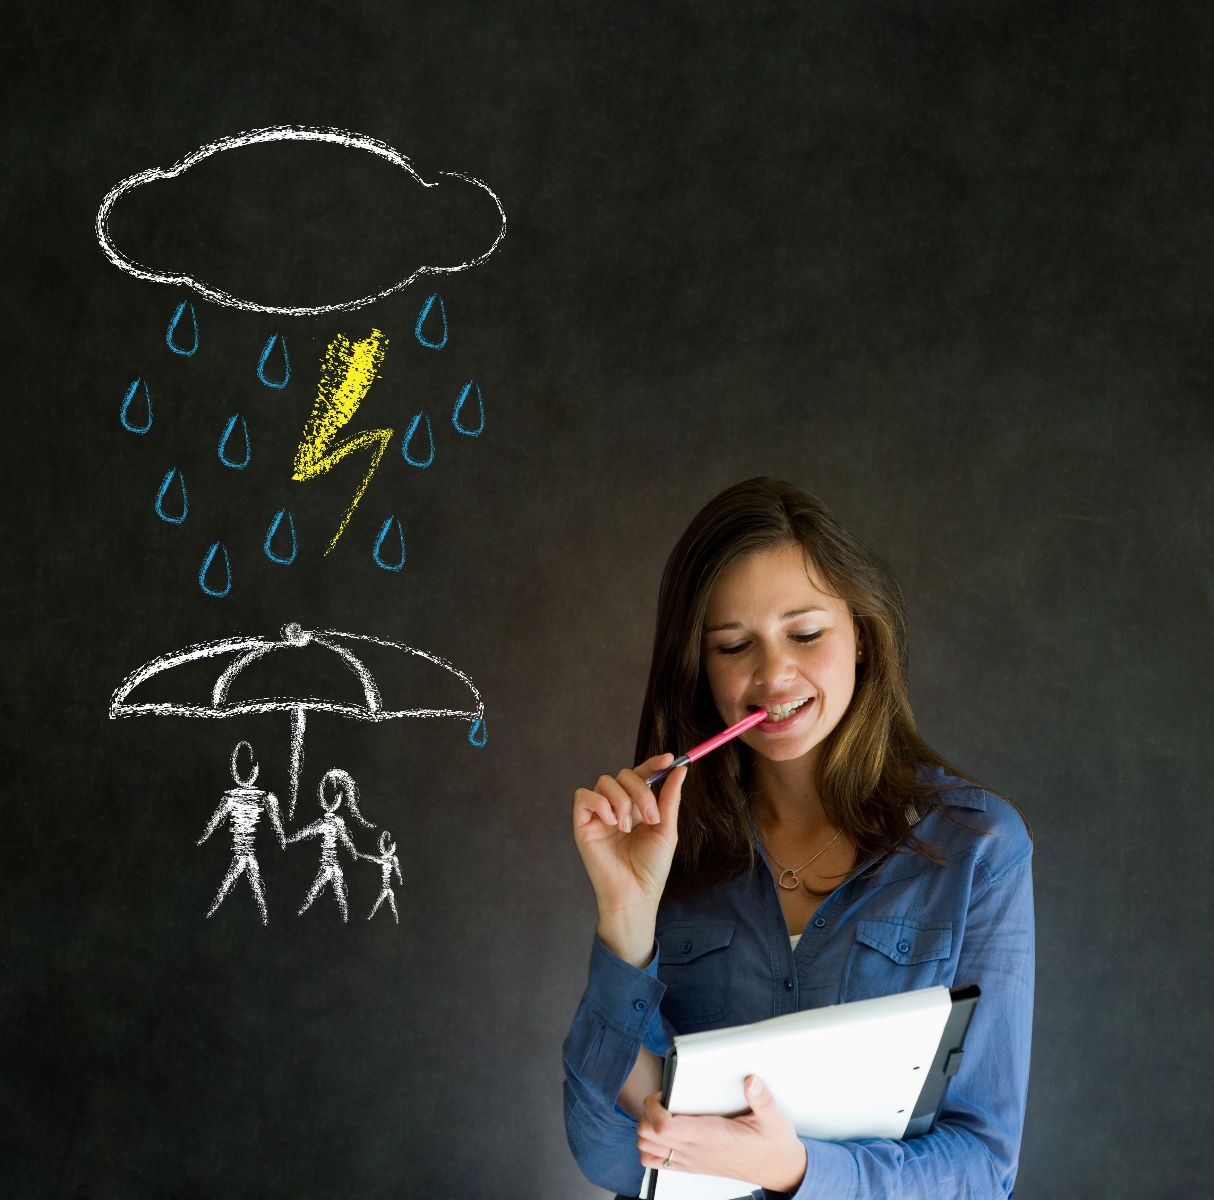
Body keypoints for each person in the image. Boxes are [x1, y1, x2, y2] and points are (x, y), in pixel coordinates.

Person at [563, 478, 1034, 1199]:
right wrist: (626, 920)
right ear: (701, 672)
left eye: (806, 634)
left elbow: (982, 1168)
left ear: (864, 641)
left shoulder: (979, 848)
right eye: (732, 645)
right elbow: (606, 1155)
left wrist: (795, 1171)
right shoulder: (668, 849)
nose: (772, 675)